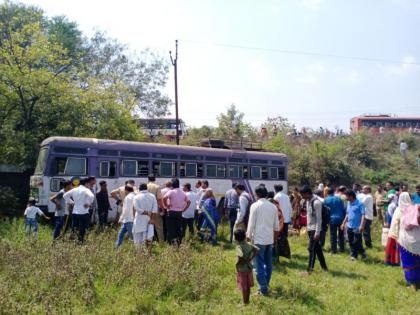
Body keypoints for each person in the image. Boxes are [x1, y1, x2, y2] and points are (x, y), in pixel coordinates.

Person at [246, 185, 279, 295]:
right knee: (268, 263)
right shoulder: (273, 207)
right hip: (269, 239)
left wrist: (248, 237)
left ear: (257, 194)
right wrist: (274, 240)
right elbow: (276, 226)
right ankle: (266, 283)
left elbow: (251, 224)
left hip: (258, 240)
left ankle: (263, 288)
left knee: (258, 265)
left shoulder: (254, 206)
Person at [393, 194, 420, 290]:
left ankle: (412, 284)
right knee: (418, 261)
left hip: (405, 242)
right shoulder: (416, 208)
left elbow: (394, 226)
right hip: (418, 240)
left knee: (408, 262)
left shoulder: (399, 211)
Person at [300, 185, 328, 273]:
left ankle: (309, 270)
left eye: (303, 195)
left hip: (315, 229)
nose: (302, 197)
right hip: (310, 228)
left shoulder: (317, 203)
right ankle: (324, 268)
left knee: (311, 249)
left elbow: (319, 219)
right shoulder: (308, 201)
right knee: (317, 249)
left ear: (308, 193)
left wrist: (317, 232)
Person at [64, 177, 96, 243]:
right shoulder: (86, 190)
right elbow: (92, 196)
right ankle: (80, 242)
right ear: (86, 183)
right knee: (82, 228)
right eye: (88, 184)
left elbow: (65, 195)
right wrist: (88, 204)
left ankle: (73, 241)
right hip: (83, 212)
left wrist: (72, 202)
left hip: (75, 212)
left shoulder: (74, 189)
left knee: (74, 227)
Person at [386, 192, 412, 266]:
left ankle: (393, 261)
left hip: (394, 231)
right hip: (404, 233)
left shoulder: (398, 208)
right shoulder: (410, 209)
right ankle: (401, 262)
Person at [234, 229, 259, 305]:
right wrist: (249, 259)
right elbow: (257, 249)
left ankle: (244, 303)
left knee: (244, 287)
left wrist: (237, 263)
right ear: (245, 237)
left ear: (235, 239)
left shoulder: (238, 247)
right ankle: (247, 301)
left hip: (242, 269)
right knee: (247, 286)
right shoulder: (248, 244)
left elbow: (240, 257)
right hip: (249, 268)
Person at [163, 178, 191, 245]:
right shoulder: (183, 192)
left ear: (172, 184)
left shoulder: (171, 191)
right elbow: (189, 202)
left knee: (170, 228)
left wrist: (166, 205)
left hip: (171, 212)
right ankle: (179, 243)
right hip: (179, 213)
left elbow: (164, 198)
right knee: (178, 228)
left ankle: (170, 243)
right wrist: (184, 209)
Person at [341, 190, 366, 261]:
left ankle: (354, 256)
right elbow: (347, 214)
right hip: (349, 226)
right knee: (351, 241)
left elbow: (363, 215)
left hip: (357, 227)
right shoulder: (349, 203)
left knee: (356, 241)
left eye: (347, 196)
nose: (346, 197)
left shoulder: (360, 204)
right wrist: (343, 223)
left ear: (351, 196)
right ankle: (362, 252)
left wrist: (361, 225)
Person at [133, 183, 158, 250]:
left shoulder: (136, 197)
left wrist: (146, 212)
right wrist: (152, 219)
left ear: (139, 189)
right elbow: (155, 209)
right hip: (149, 220)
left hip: (139, 220)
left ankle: (139, 253)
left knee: (138, 239)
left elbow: (137, 209)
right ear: (146, 188)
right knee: (148, 237)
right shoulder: (152, 196)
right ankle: (147, 253)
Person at [324, 187, 346, 253]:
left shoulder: (326, 200)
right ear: (334, 192)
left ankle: (334, 250)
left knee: (333, 235)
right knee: (341, 235)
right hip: (341, 218)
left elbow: (325, 210)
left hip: (332, 219)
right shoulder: (339, 199)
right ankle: (342, 249)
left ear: (327, 193)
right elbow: (343, 208)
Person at [147, 174, 164, 243]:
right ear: (155, 179)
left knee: (147, 225)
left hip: (146, 209)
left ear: (148, 179)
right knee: (159, 226)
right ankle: (161, 242)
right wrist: (162, 208)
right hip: (155, 209)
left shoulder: (145, 186)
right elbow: (159, 199)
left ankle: (148, 241)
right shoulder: (157, 187)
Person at [274, 184, 292, 248]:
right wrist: (290, 216)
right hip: (286, 219)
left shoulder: (276, 197)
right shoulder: (286, 196)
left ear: (275, 189)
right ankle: (285, 248)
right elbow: (290, 207)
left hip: (279, 219)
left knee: (279, 235)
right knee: (285, 235)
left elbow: (275, 208)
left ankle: (280, 248)